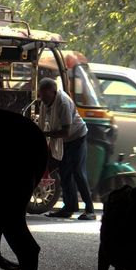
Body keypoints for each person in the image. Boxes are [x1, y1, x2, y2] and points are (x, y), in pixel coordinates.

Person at [39, 77, 96, 220]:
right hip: (64, 140)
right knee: (64, 172)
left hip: (77, 137)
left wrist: (44, 134)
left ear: (53, 92)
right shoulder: (45, 103)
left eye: (45, 95)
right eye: (41, 94)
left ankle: (90, 210)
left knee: (78, 172)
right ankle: (69, 207)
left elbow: (66, 132)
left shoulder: (63, 103)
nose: (42, 98)